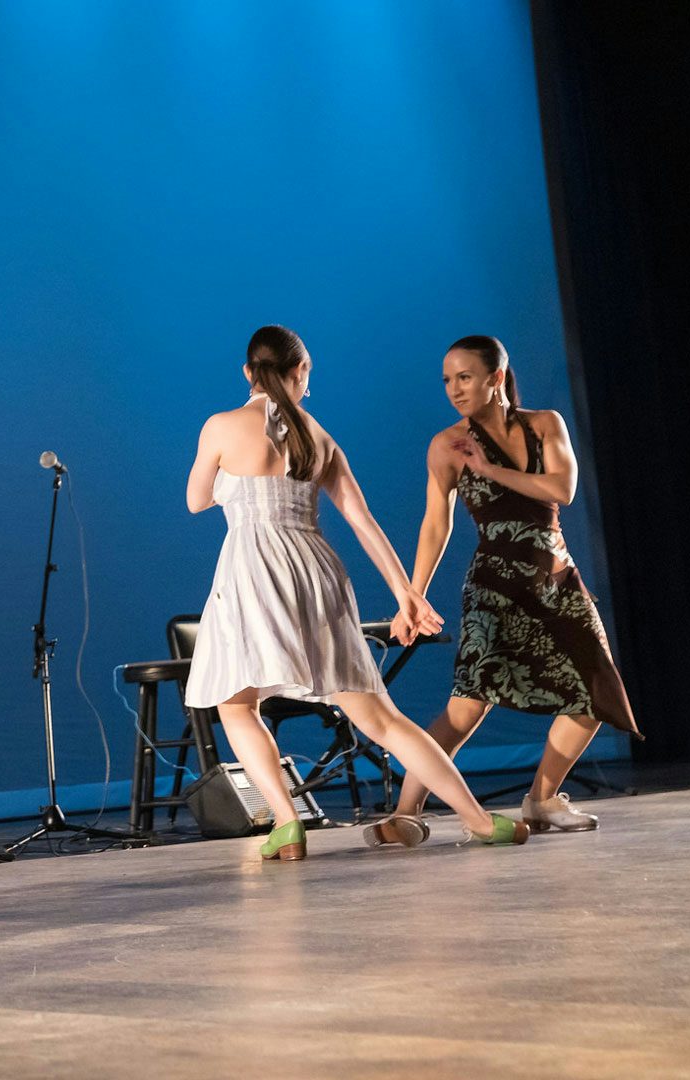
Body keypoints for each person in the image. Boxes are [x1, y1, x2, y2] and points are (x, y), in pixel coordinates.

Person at [183, 325, 529, 860]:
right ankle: (479, 820)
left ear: (248, 373)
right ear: (300, 374)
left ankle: (286, 822)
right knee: (379, 716)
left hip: (253, 571)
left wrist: (235, 480)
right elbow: (363, 522)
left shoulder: (223, 426)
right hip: (317, 571)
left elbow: (196, 500)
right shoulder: (320, 438)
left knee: (236, 704)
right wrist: (406, 594)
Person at [366, 336, 639, 847]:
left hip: (556, 578)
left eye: (464, 377)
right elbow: (434, 524)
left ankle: (541, 798)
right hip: (495, 585)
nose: (453, 389)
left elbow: (562, 489)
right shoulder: (446, 444)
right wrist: (413, 594)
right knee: (468, 706)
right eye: (447, 380)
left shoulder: (545, 424)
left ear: (496, 378)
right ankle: (407, 813)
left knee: (595, 689)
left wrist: (490, 470)